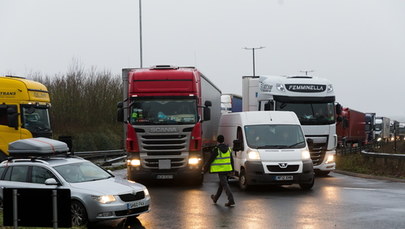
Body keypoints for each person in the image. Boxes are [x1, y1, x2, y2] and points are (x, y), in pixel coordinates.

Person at [204, 135, 235, 207]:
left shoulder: (216, 149)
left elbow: (210, 160)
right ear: (224, 140)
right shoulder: (228, 148)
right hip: (227, 169)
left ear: (217, 141)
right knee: (221, 185)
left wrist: (205, 168)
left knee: (225, 185)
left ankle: (231, 200)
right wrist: (232, 169)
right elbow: (231, 160)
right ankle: (215, 198)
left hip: (221, 170)